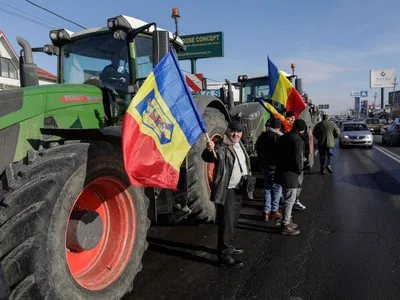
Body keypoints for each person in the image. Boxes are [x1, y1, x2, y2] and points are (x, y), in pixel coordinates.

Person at [202, 121, 251, 268]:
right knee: (226, 224)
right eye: (233, 131)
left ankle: (229, 246)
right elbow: (209, 157)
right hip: (227, 190)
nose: (236, 134)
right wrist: (209, 150)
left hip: (238, 189)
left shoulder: (239, 144)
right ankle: (224, 257)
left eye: (239, 132)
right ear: (228, 130)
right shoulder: (221, 146)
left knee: (233, 222)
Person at [275, 119, 307, 235]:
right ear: (302, 130)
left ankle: (287, 220)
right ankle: (286, 224)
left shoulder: (283, 137)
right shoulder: (298, 140)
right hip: (291, 173)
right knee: (290, 200)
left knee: (286, 197)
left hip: (281, 171)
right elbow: (298, 159)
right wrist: (299, 170)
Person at [255, 117, 283, 221]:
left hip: (264, 166)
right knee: (277, 189)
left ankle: (266, 211)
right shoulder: (279, 137)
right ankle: (274, 211)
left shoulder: (263, 135)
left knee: (267, 188)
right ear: (279, 127)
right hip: (275, 167)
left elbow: (256, 148)